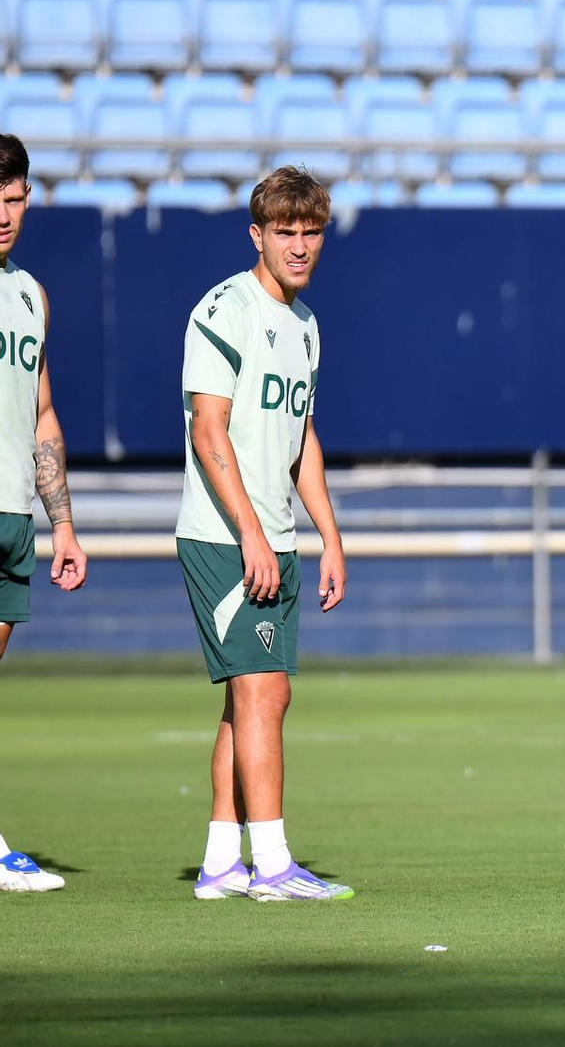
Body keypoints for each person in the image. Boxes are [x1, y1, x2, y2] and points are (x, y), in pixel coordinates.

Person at [178, 166, 350, 901]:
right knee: (264, 694)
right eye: (285, 231)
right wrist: (250, 531)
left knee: (245, 700)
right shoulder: (225, 309)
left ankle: (222, 862)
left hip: (275, 537)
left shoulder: (306, 325)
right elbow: (207, 428)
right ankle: (273, 865)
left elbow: (300, 440)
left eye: (311, 232)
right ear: (258, 234)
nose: (300, 245)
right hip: (225, 538)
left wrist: (331, 537)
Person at [0, 133, 88, 895]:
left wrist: (61, 522)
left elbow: (44, 415)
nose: (4, 214)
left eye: (15, 198)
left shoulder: (32, 295)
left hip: (13, 514)